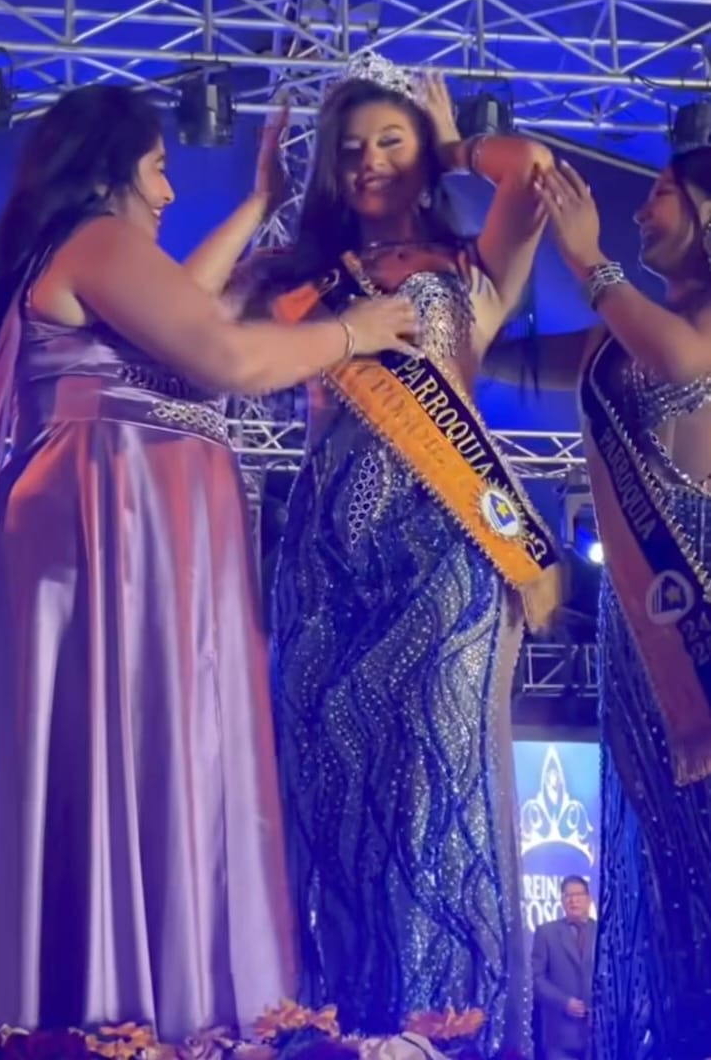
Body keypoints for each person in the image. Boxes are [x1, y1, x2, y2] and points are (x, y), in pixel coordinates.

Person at [0, 84, 419, 1044]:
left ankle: (92, 1003)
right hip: (112, 524)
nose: (167, 192)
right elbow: (226, 358)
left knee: (113, 762)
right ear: (111, 168)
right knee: (130, 756)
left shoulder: (88, 251)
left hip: (117, 521)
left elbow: (180, 306)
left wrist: (257, 204)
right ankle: (125, 1011)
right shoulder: (97, 240)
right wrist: (352, 334)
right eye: (159, 169)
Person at [227, 52, 562, 1050]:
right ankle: (341, 1026)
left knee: (434, 785)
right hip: (328, 559)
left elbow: (530, 168)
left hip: (451, 546)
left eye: (389, 141)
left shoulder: (472, 271)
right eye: (349, 148)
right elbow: (205, 336)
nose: (368, 160)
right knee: (330, 793)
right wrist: (262, 204)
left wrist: (454, 144)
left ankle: (447, 1029)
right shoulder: (298, 278)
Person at [487, 149, 711, 1060]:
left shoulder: (677, 327)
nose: (642, 210)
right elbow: (511, 360)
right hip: (634, 627)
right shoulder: (617, 337)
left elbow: (685, 363)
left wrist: (586, 257)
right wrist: (466, 302)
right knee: (661, 853)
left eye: (661, 195)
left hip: (695, 597)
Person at [531, 877, 595, 1060]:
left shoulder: (601, 933)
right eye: (568, 896)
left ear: (589, 899)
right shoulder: (546, 933)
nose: (573, 900)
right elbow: (536, 979)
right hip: (560, 1036)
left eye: (578, 895)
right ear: (562, 901)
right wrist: (564, 1002)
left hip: (597, 1035)